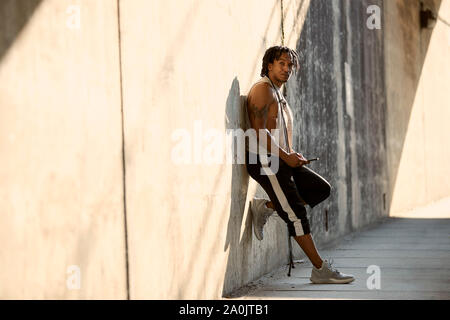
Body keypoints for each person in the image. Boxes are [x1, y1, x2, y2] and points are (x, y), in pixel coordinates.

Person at [244, 45, 355, 284]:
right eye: (281, 63)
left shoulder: (278, 93)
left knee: (320, 189)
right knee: (296, 215)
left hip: (281, 159)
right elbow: (259, 132)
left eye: (290, 65)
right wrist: (286, 156)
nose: (286, 68)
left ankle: (267, 206)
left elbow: (277, 133)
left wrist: (292, 154)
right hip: (265, 161)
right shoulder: (264, 90)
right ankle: (320, 269)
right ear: (269, 65)